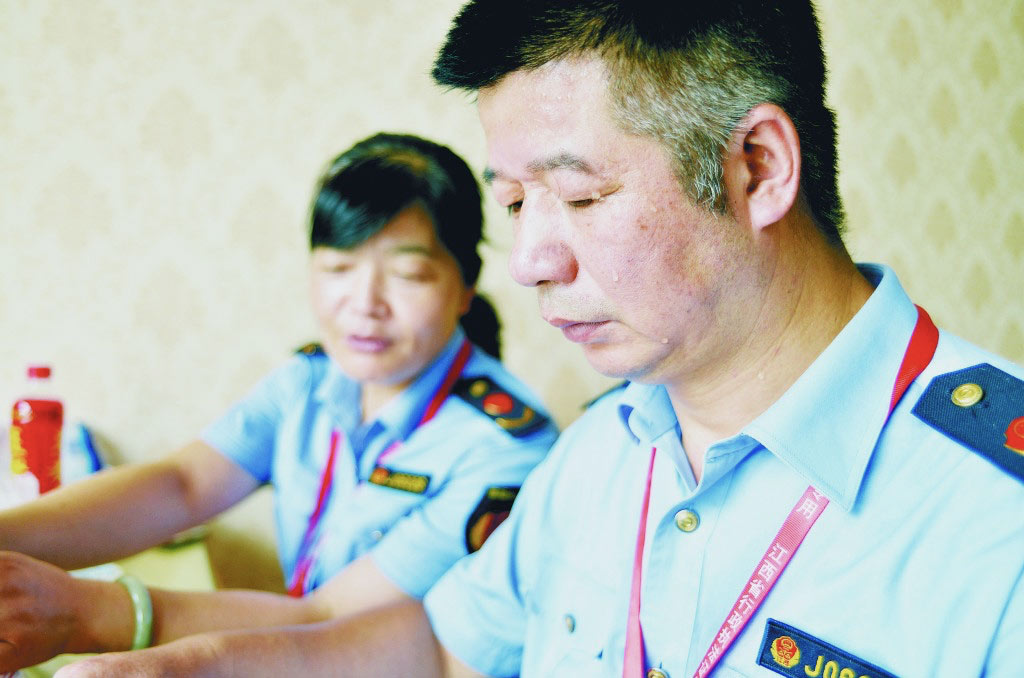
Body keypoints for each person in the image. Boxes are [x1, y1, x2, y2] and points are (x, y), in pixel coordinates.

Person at [54, 2, 1024, 677]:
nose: (527, 262)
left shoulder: (994, 523)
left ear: (758, 168)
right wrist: (176, 666)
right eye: (515, 203)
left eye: (580, 196)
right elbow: (442, 652)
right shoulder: (601, 451)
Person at [0, 132, 558, 674]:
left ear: (466, 286)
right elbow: (183, 484)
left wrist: (84, 611)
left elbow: (328, 618)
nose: (364, 304)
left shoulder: (506, 451)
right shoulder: (308, 382)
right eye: (338, 269)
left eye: (408, 275)